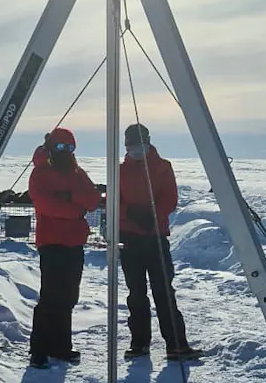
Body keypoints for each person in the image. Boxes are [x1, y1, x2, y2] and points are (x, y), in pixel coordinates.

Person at [119, 123, 201, 361]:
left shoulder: (162, 166)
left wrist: (152, 216)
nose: (135, 150)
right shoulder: (119, 171)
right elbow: (113, 202)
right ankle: (139, 344)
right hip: (130, 240)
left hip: (155, 238)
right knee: (136, 293)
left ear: (148, 142)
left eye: (139, 145)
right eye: (131, 147)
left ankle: (176, 345)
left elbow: (170, 198)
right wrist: (130, 212)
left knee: (163, 291)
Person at [27, 127, 101, 369]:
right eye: (61, 146)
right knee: (51, 296)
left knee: (69, 296)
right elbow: (47, 205)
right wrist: (75, 207)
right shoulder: (40, 174)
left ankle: (61, 347)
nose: (66, 151)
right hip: (51, 242)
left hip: (74, 242)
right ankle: (39, 350)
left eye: (70, 147)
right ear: (51, 147)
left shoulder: (77, 173)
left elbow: (93, 200)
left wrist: (68, 197)